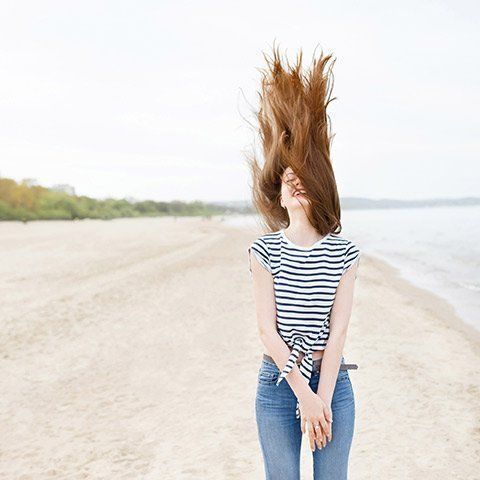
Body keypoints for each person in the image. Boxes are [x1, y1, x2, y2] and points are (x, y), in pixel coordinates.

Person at [246, 44, 360, 480]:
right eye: (287, 181)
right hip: (277, 386)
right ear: (278, 194)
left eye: (302, 180)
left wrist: (323, 397)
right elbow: (266, 331)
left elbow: (339, 330)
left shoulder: (345, 252)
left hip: (334, 382)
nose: (294, 186)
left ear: (317, 186)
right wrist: (303, 396)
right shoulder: (264, 250)